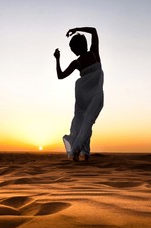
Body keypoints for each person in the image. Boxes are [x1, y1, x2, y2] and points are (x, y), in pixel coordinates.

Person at [54, 27, 104, 161]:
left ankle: (80, 151)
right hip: (92, 95)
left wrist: (57, 59)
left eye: (73, 48)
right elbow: (93, 31)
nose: (73, 51)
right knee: (86, 122)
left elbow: (60, 75)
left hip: (86, 95)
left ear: (76, 48)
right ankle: (84, 153)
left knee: (83, 122)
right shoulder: (94, 53)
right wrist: (75, 29)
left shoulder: (81, 60)